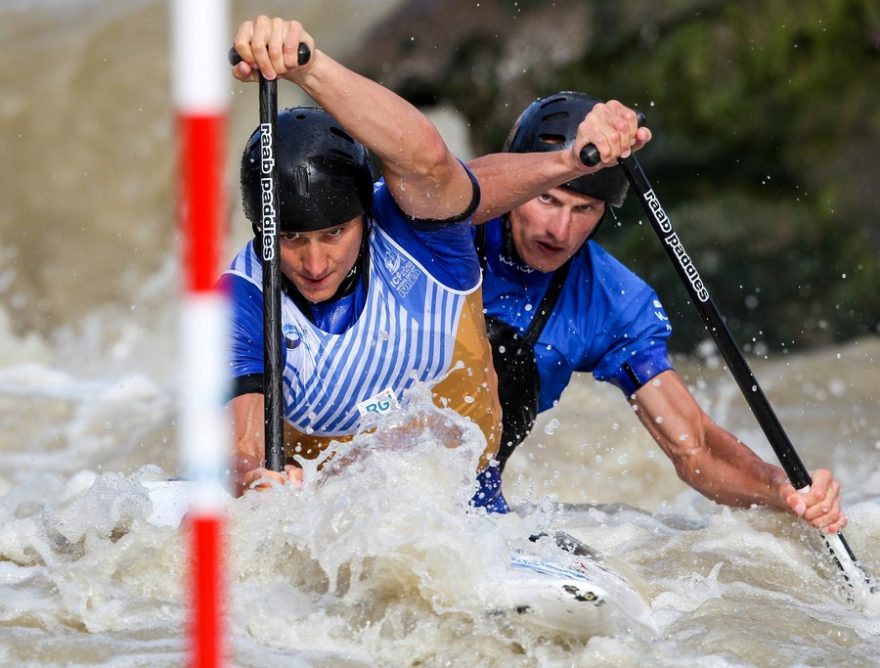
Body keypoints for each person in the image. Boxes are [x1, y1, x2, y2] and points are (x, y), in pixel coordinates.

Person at [224, 19, 639, 505]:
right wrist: (255, 479)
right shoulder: (243, 295)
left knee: (510, 356)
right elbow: (240, 450)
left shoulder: (418, 230)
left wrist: (308, 66)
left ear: (366, 214)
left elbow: (425, 159)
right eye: (292, 238)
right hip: (323, 509)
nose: (315, 262)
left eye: (334, 234)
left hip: (461, 505)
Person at [467, 91, 847, 533]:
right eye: (547, 199)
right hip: (377, 468)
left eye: (584, 208)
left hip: (469, 521)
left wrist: (783, 490)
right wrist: (568, 161)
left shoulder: (612, 301)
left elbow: (696, 449)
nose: (560, 230)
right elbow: (445, 185)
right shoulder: (445, 226)